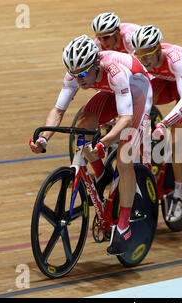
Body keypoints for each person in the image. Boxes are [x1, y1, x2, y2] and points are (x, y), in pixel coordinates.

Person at [29, 34, 153, 255]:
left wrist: (104, 143)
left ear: (97, 65)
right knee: (83, 125)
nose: (79, 80)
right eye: (75, 75)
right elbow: (58, 111)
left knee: (125, 160)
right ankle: (100, 173)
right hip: (109, 92)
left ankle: (123, 228)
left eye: (84, 74)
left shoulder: (115, 72)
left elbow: (125, 119)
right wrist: (43, 138)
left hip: (137, 93)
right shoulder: (76, 74)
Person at [130, 25, 182, 222]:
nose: (144, 61)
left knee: (176, 142)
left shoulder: (176, 59)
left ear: (159, 48)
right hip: (164, 81)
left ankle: (179, 195)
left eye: (148, 57)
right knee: (139, 99)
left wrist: (164, 123)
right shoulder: (145, 59)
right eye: (140, 57)